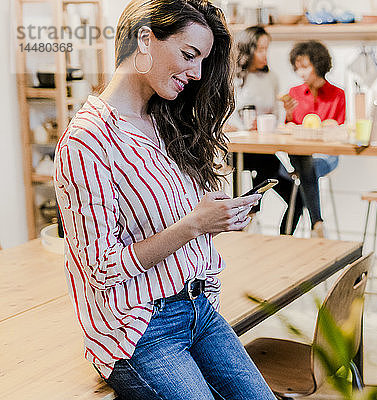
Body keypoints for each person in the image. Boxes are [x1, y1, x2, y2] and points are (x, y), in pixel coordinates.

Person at [53, 1, 275, 399]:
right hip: (140, 330)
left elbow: (170, 222)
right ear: (145, 39)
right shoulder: (88, 140)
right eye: (189, 55)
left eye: (204, 60)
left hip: (199, 309)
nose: (198, 73)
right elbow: (103, 269)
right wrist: (194, 224)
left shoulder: (165, 120)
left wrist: (215, 216)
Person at [226, 26, 304, 234]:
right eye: (260, 49)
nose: (265, 55)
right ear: (247, 49)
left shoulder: (271, 78)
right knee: (261, 180)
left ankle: (281, 238)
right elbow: (226, 116)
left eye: (266, 49)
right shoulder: (232, 79)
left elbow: (276, 117)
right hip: (238, 151)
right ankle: (250, 212)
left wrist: (286, 113)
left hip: (264, 150)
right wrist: (243, 126)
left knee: (297, 196)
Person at [282, 40, 346, 238]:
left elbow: (340, 127)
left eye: (305, 67)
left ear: (318, 64)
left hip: (327, 155)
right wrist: (290, 116)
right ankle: (317, 224)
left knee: (306, 170)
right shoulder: (294, 93)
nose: (301, 73)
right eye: (297, 68)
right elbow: (288, 127)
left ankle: (286, 234)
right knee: (305, 163)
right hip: (299, 154)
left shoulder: (338, 94)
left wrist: (327, 126)